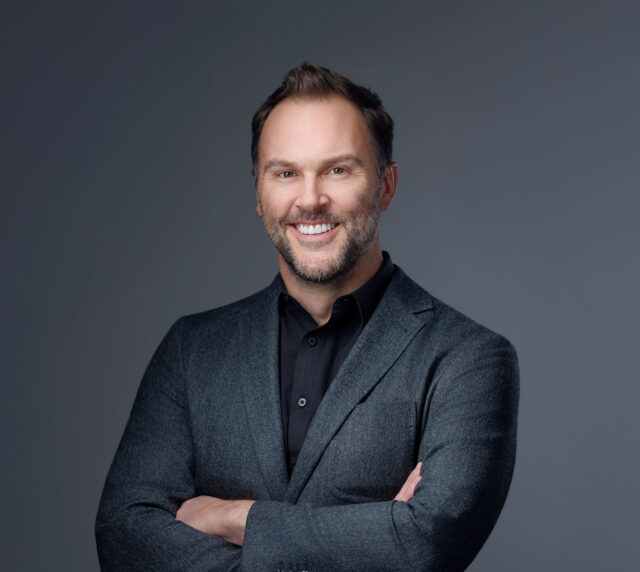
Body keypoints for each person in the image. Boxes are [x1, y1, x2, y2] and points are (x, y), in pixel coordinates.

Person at [95, 62, 519, 571]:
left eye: (338, 170)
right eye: (286, 173)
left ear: (386, 185)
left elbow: (424, 545)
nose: (310, 199)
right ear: (259, 193)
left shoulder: (468, 358)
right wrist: (375, 535)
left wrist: (237, 518)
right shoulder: (192, 349)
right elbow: (123, 538)